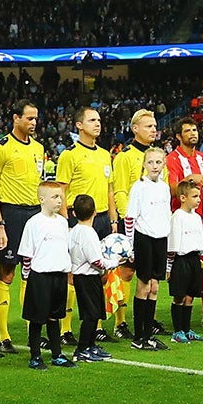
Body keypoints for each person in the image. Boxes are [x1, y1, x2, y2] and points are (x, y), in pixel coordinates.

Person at [56, 105, 114, 342]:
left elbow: (109, 189)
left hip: (100, 219)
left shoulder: (104, 154)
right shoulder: (69, 154)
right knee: (73, 274)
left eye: (98, 120)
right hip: (78, 220)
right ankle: (66, 329)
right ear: (79, 125)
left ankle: (97, 327)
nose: (97, 124)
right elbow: (61, 190)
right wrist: (66, 223)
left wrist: (113, 220)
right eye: (92, 120)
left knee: (100, 274)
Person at [0, 99, 44, 351]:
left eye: (35, 118)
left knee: (32, 272)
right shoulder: (1, 148)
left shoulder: (39, 148)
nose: (33, 123)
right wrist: (0, 222)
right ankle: (3, 335)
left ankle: (31, 330)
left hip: (35, 213)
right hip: (11, 213)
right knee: (8, 272)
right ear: (16, 118)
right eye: (29, 118)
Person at [109, 108, 160, 338]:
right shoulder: (125, 156)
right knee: (127, 273)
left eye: (155, 126)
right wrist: (126, 219)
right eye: (149, 126)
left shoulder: (157, 156)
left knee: (149, 276)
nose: (153, 130)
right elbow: (119, 190)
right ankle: (119, 323)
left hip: (153, 225)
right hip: (133, 224)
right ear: (135, 129)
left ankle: (146, 320)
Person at [15, 179, 73, 366]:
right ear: (42, 199)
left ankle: (57, 354)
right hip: (40, 277)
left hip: (59, 275)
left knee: (55, 317)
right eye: (55, 197)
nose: (59, 201)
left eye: (61, 197)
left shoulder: (63, 223)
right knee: (37, 318)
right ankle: (35, 356)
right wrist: (26, 277)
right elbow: (26, 253)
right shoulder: (34, 223)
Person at [165, 117, 203, 325]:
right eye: (188, 131)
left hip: (202, 221)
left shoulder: (202, 158)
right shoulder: (173, 159)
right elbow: (173, 189)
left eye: (195, 130)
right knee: (183, 271)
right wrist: (191, 178)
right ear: (179, 136)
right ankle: (181, 324)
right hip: (182, 223)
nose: (193, 133)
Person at [125, 146, 171, 351]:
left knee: (155, 287)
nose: (154, 166)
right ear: (144, 164)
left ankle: (148, 334)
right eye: (150, 162)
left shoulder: (164, 187)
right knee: (143, 286)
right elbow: (130, 217)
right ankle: (139, 337)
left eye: (158, 162)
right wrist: (130, 246)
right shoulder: (139, 187)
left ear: (164, 164)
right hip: (144, 239)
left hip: (160, 239)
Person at [66, 194, 114, 360]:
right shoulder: (88, 233)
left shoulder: (73, 232)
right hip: (88, 277)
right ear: (95, 212)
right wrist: (113, 262)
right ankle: (82, 349)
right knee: (91, 315)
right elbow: (96, 261)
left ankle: (91, 345)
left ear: (73, 213)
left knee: (95, 313)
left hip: (81, 276)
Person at [164, 177, 203, 344]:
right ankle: (177, 331)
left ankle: (187, 329)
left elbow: (199, 238)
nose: (198, 200)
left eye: (198, 196)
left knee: (190, 296)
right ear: (183, 198)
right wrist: (169, 268)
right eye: (195, 196)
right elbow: (172, 245)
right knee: (179, 296)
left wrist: (202, 259)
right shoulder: (178, 216)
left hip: (194, 260)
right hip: (181, 260)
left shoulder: (196, 217)